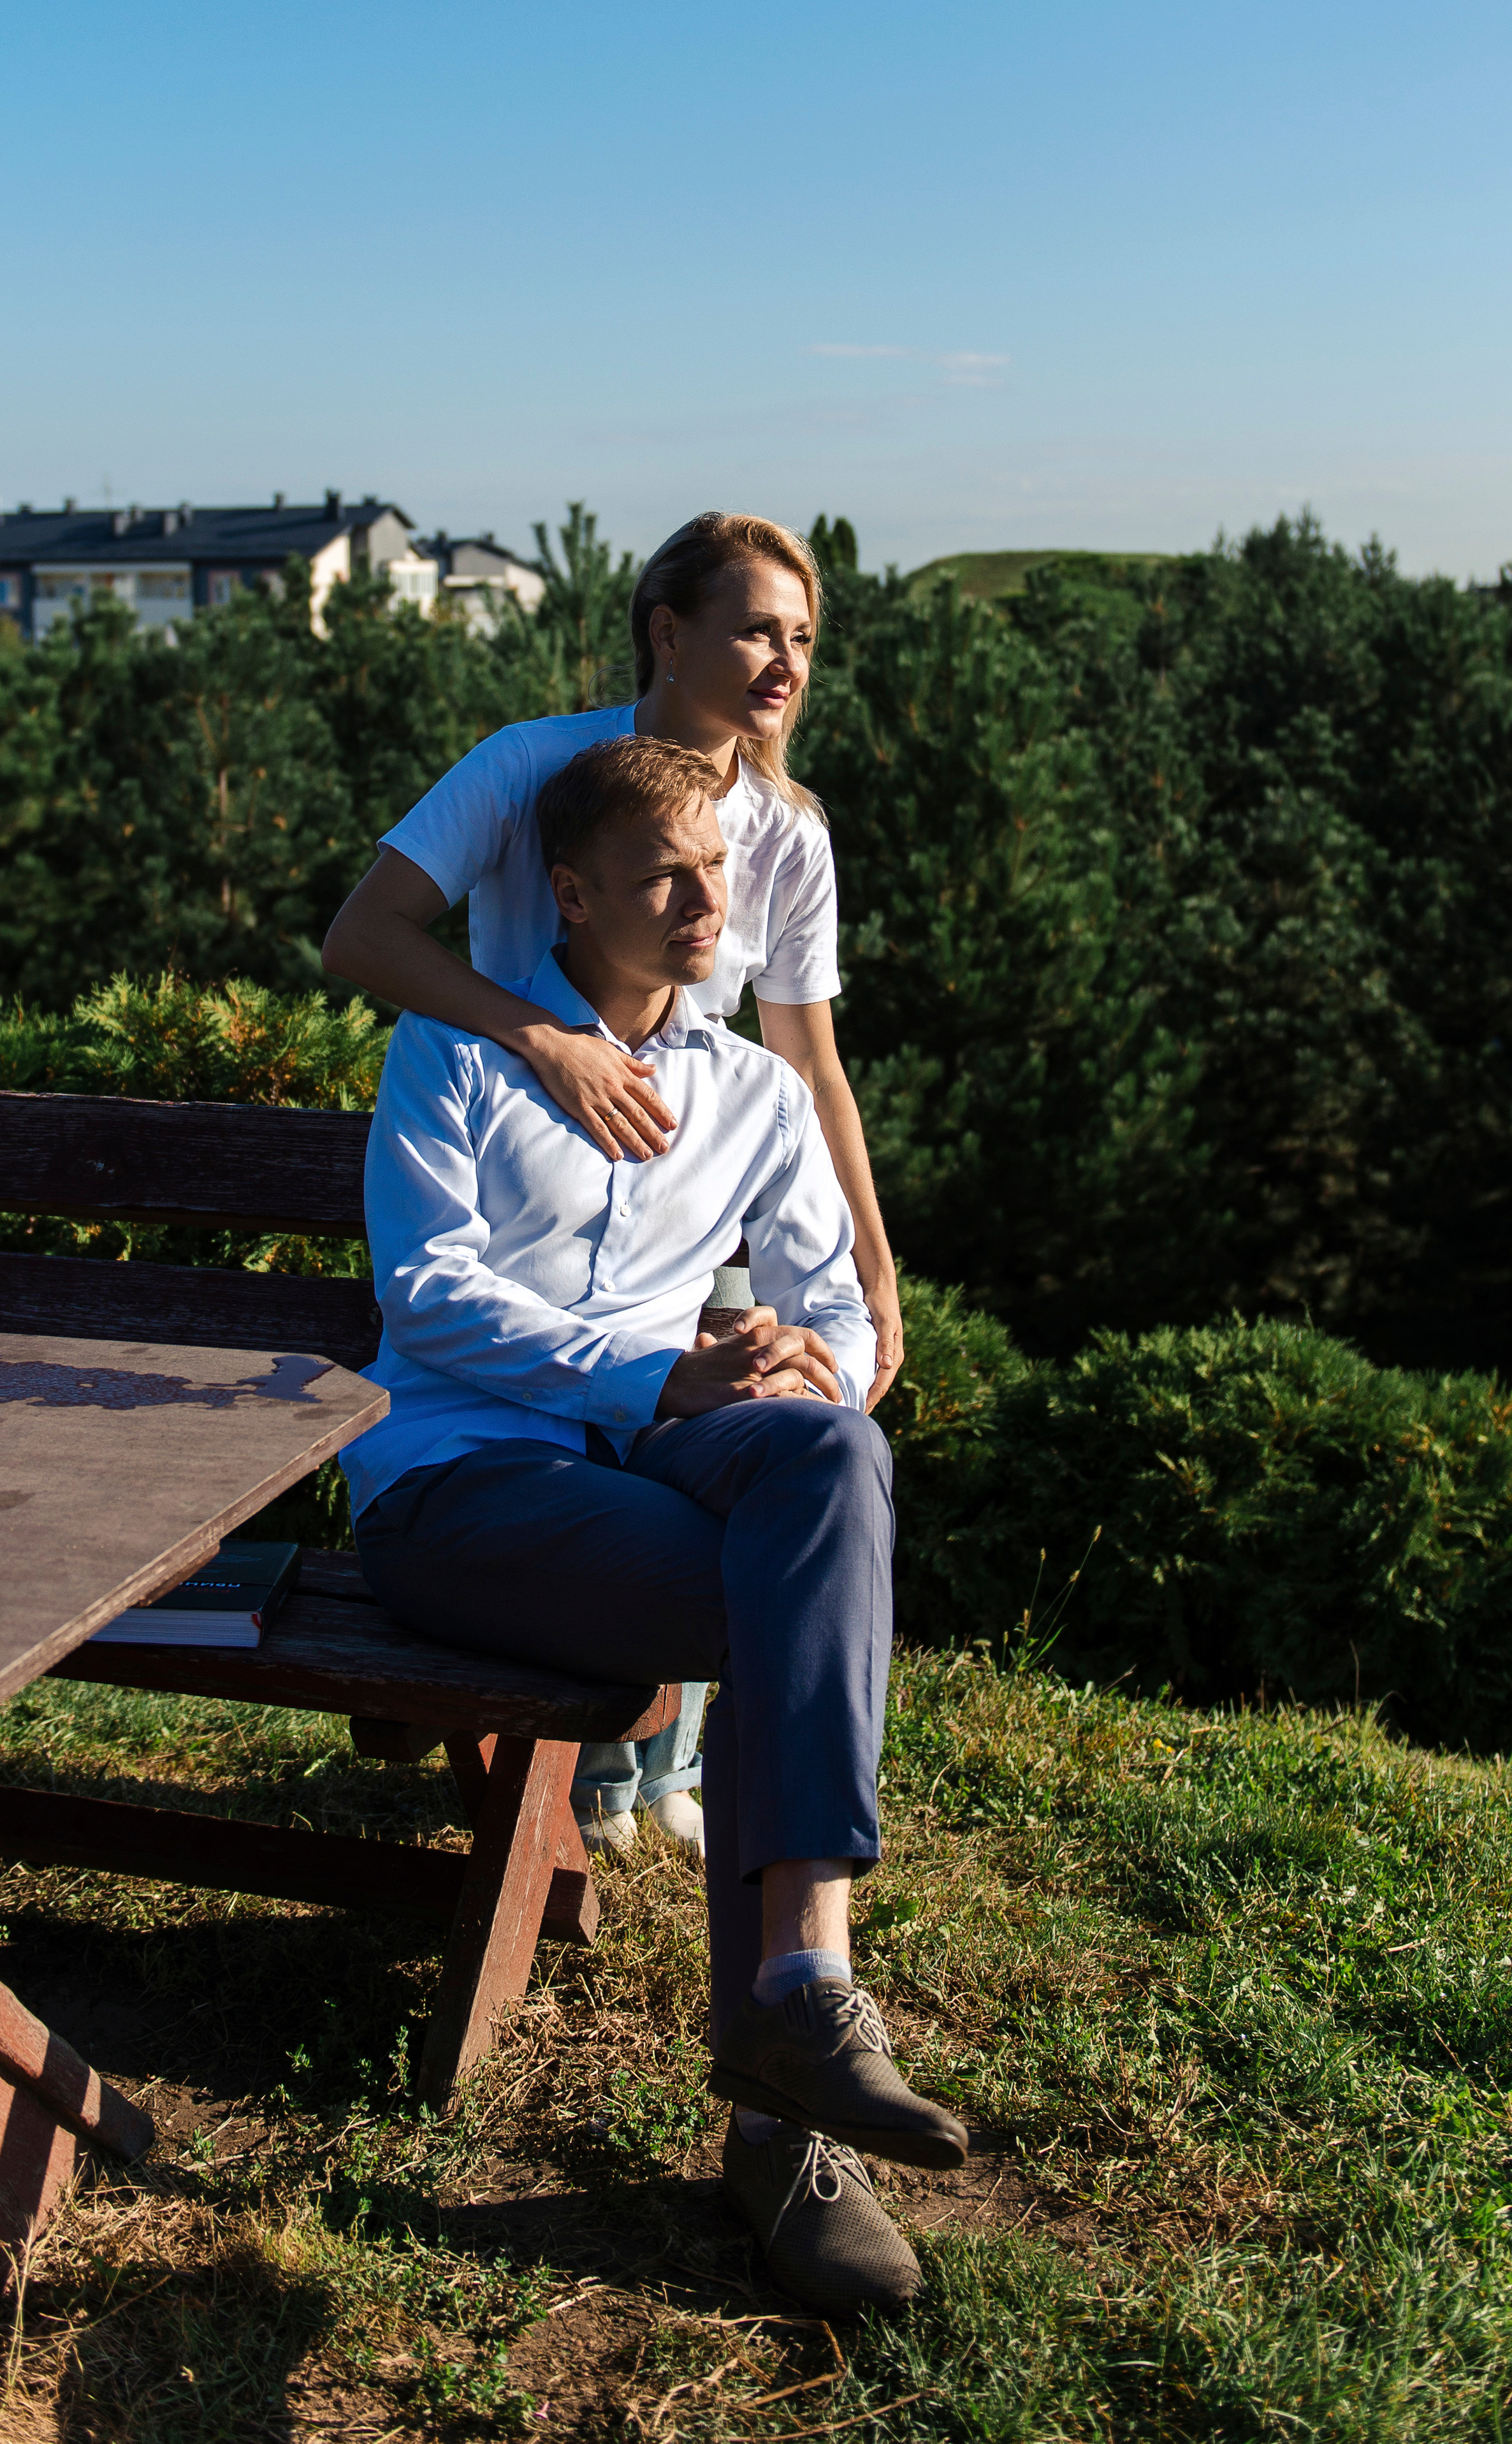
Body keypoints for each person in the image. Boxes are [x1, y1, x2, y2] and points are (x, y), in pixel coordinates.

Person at [340, 735, 964, 2310]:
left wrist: (793, 1350)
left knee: (823, 1462)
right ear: (570, 892)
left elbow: (824, 1291)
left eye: (717, 871)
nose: (705, 903)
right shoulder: (457, 1057)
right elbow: (428, 1301)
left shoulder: (751, 1094)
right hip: (461, 1486)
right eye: (664, 877)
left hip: (654, 1466)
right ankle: (778, 2130)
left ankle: (803, 1983)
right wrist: (660, 1374)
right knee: (783, 1601)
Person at [322, 511, 901, 1859]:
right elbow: (365, 935)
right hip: (521, 1178)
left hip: (681, 1176)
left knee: (787, 1445)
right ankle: (615, 1786)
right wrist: (542, 1040)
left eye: (802, 636)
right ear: (666, 633)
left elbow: (800, 1057)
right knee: (725, 1519)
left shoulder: (786, 832)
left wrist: (862, 1279)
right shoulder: (531, 771)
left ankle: (715, 1832)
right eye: (756, 627)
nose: (783, 660)